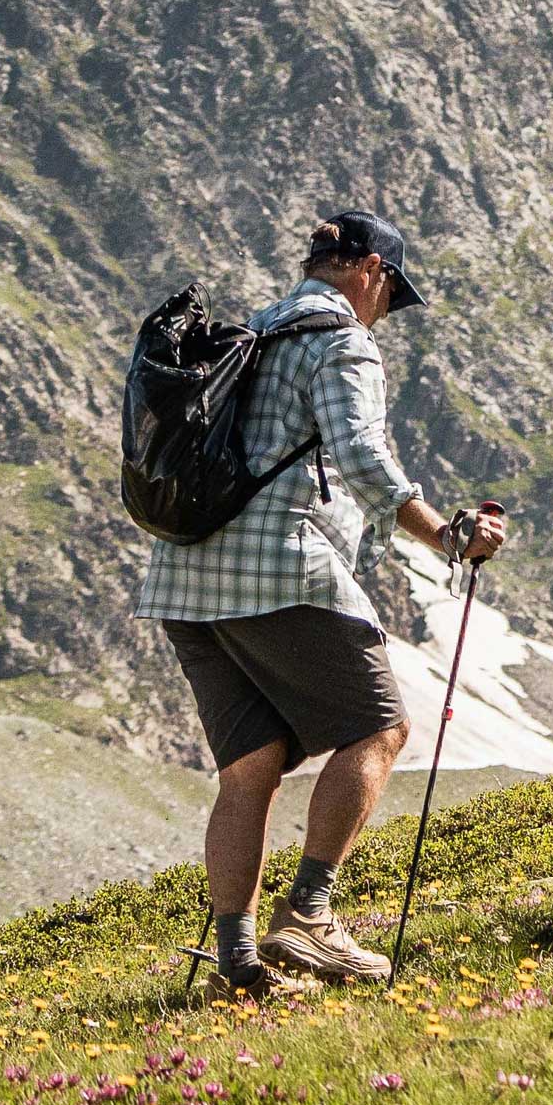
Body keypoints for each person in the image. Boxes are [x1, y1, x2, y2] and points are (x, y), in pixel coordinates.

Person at [138, 209, 508, 992]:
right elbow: (361, 456)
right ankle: (309, 913)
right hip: (276, 568)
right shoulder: (342, 341)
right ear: (370, 270)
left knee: (251, 767)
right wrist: (447, 535)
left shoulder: (253, 332)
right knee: (381, 726)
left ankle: (238, 963)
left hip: (182, 577)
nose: (385, 312)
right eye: (391, 294)